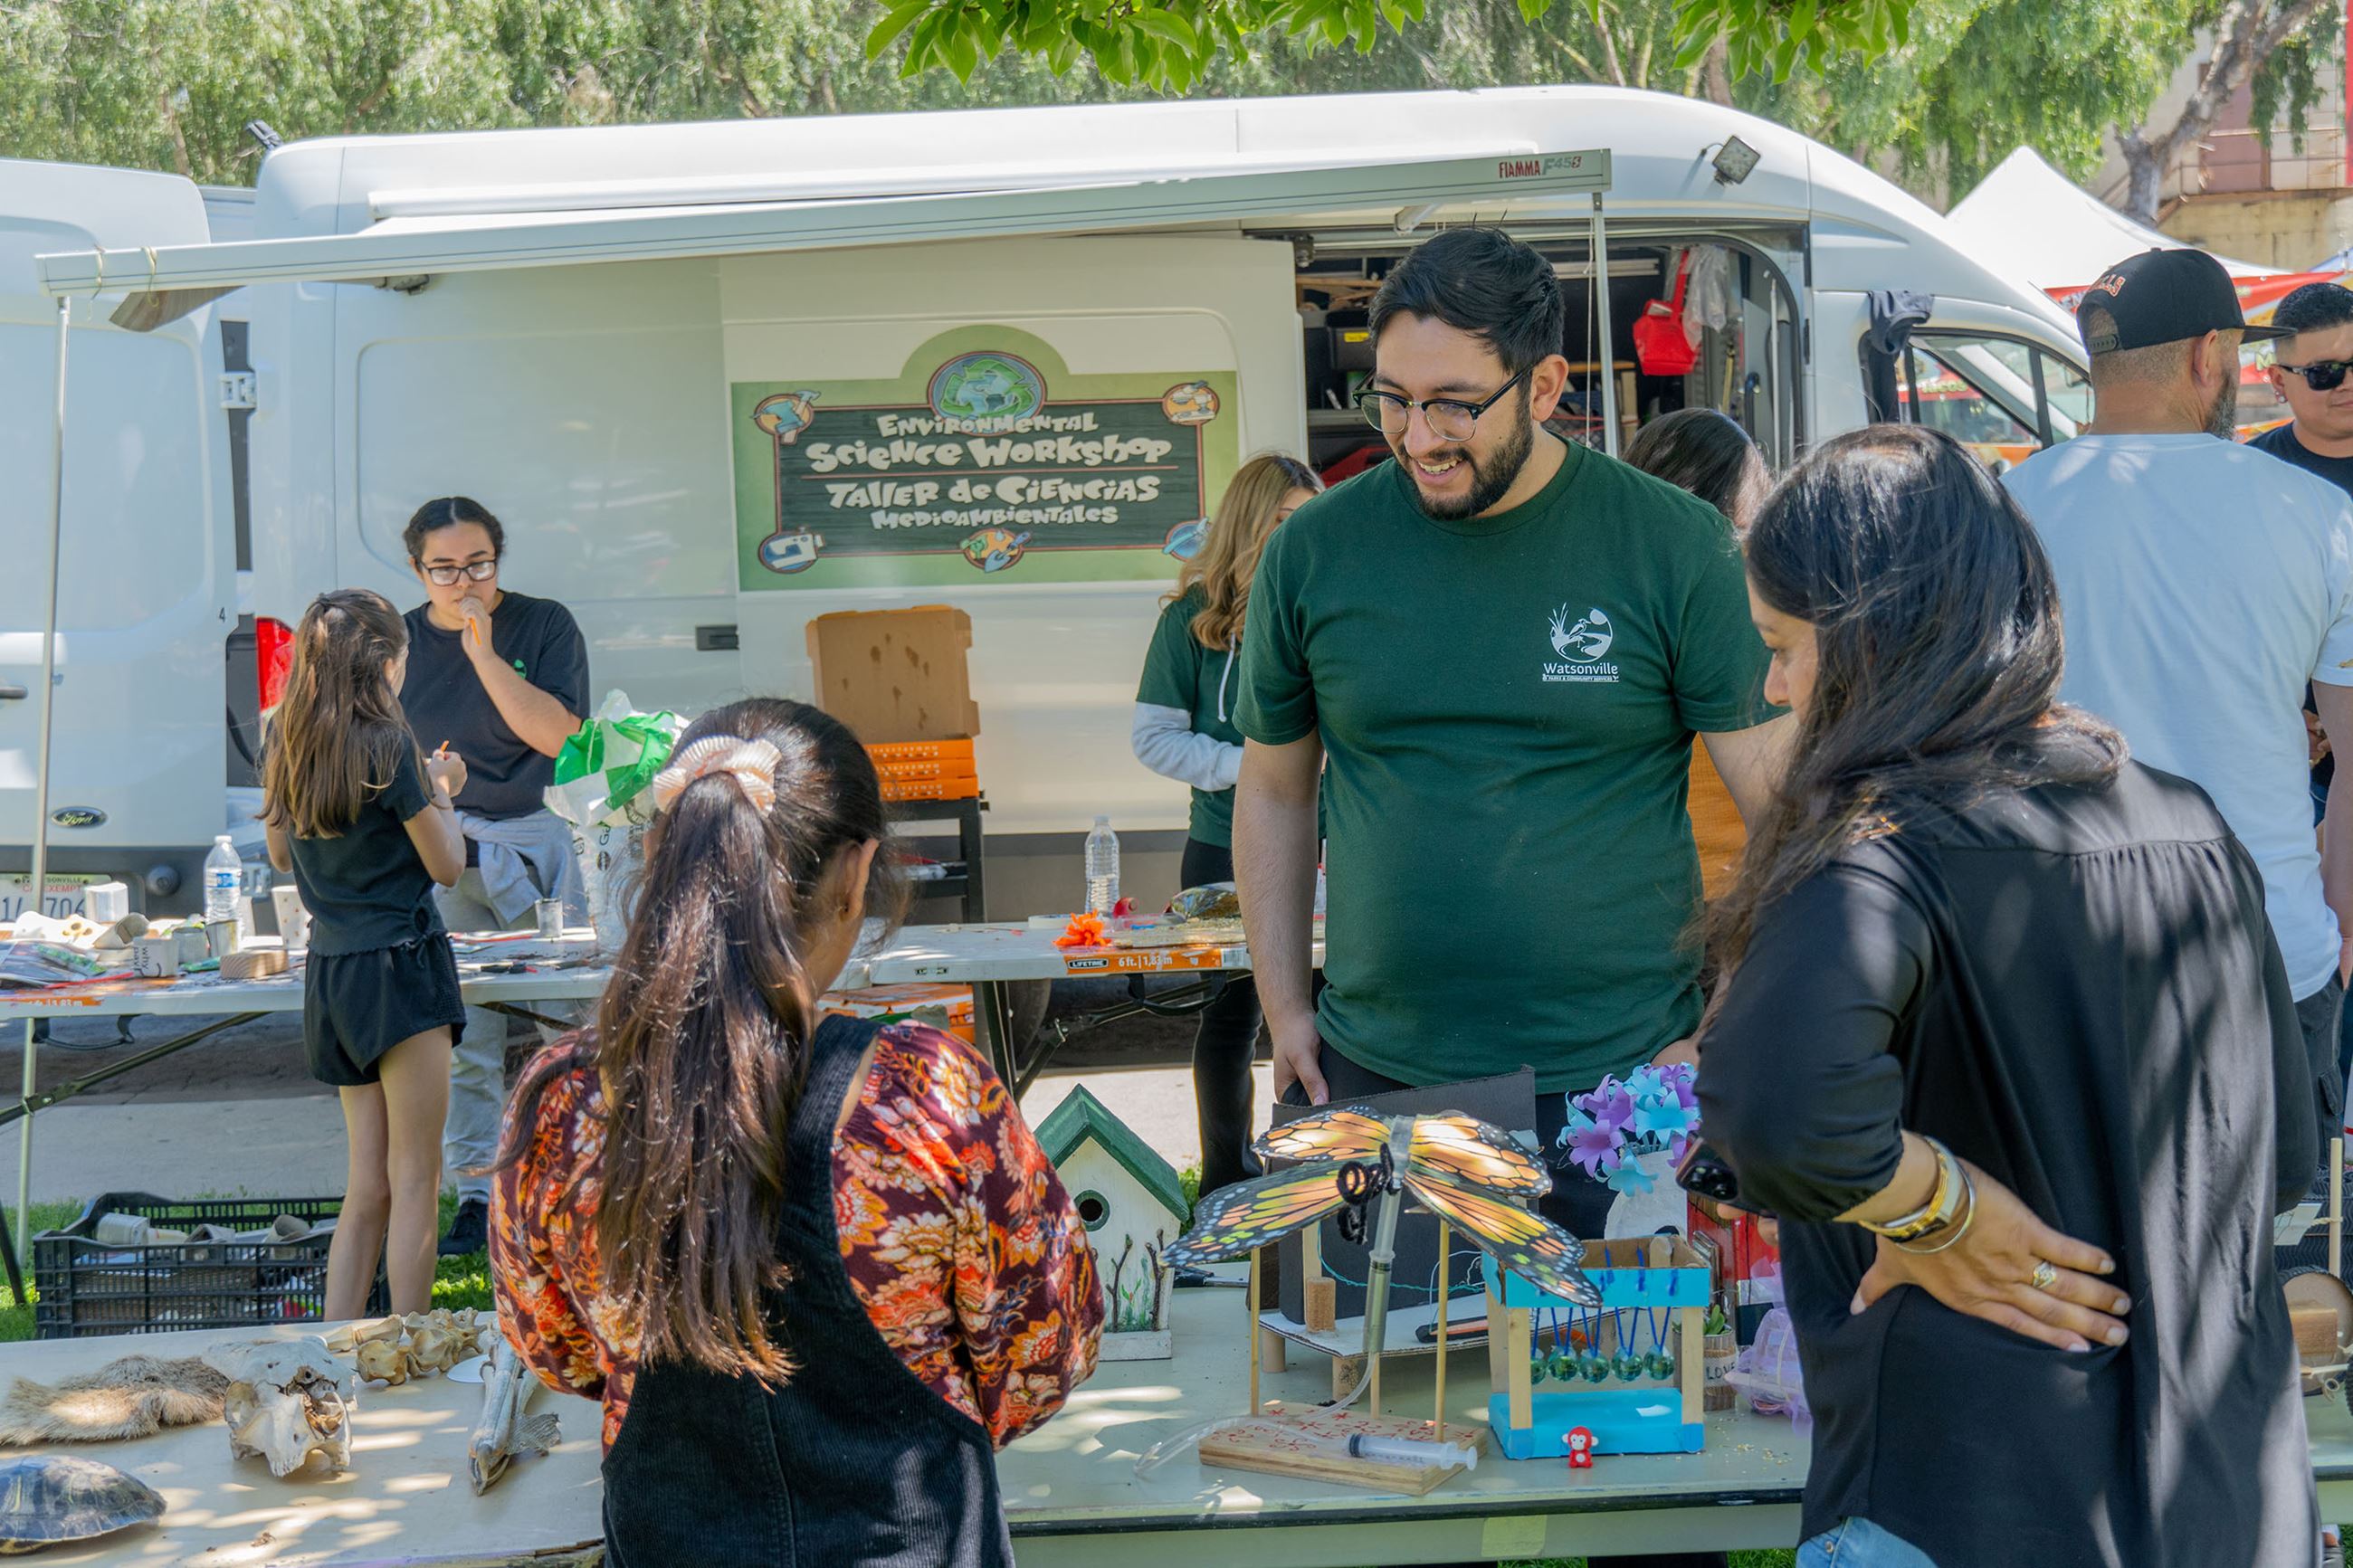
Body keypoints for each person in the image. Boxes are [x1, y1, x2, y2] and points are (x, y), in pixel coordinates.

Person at [1697, 424, 2320, 1567]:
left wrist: (1940, 1207)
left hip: (1966, 1490)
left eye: (1783, 647)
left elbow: (1773, 1107)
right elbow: (2273, 1152)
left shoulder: (1877, 844)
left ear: (1866, 635)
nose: (1772, 685)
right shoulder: (2189, 820)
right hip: (2218, 1499)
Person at [1234, 225, 1787, 1240]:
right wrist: (1282, 1008)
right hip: (1374, 1073)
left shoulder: (1671, 544)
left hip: (1615, 1085)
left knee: (1608, 1387)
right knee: (1367, 1393)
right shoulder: (1313, 550)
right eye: (1392, 397)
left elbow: (1784, 816)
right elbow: (1273, 786)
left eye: (1453, 402)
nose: (1416, 435)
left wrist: (1727, 1022)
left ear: (1542, 388)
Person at [491, 698, 1101, 1567]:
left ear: (669, 862)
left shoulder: (566, 1105)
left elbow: (553, 1346)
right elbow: (1043, 1356)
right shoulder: (924, 1099)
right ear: (857, 875)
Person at [2002, 247, 2353, 1157]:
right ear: (2208, 357)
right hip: (2265, 949)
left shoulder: (2003, 506)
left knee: (2084, 1271)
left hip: (2063, 956)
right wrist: (2340, 924)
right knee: (2270, 1270)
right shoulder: (2314, 514)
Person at [260, 590, 467, 1319]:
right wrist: (442, 791)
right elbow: (447, 866)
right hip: (403, 968)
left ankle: (332, 1348)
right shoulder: (392, 745)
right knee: (417, 1176)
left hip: (332, 974)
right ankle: (410, 1347)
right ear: (384, 660)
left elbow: (281, 853)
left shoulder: (284, 738)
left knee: (365, 1182)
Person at [397, 496, 590, 1258]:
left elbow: (561, 736)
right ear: (417, 570)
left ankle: (580, 1177)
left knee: (566, 1018)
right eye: (444, 569)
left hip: (539, 839)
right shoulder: (402, 641)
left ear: (498, 559)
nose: (464, 582)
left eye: (478, 564)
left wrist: (482, 655)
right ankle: (477, 1195)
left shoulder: (543, 624)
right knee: (466, 1032)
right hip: (448, 842)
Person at [1133, 452, 1322, 1194]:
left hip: (1336, 844)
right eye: (1283, 521)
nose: (1298, 537)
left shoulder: (1320, 601)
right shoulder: (1190, 619)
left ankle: (1320, 1182)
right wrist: (1256, 770)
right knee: (1232, 1018)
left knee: (1329, 1014)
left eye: (1310, 521)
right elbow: (1153, 738)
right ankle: (1226, 1185)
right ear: (1249, 524)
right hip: (1224, 844)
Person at [1624, 408, 1772, 900]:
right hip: (1738, 893)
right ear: (1748, 499)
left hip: (1635, 897)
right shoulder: (1767, 599)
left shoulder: (1605, 600)